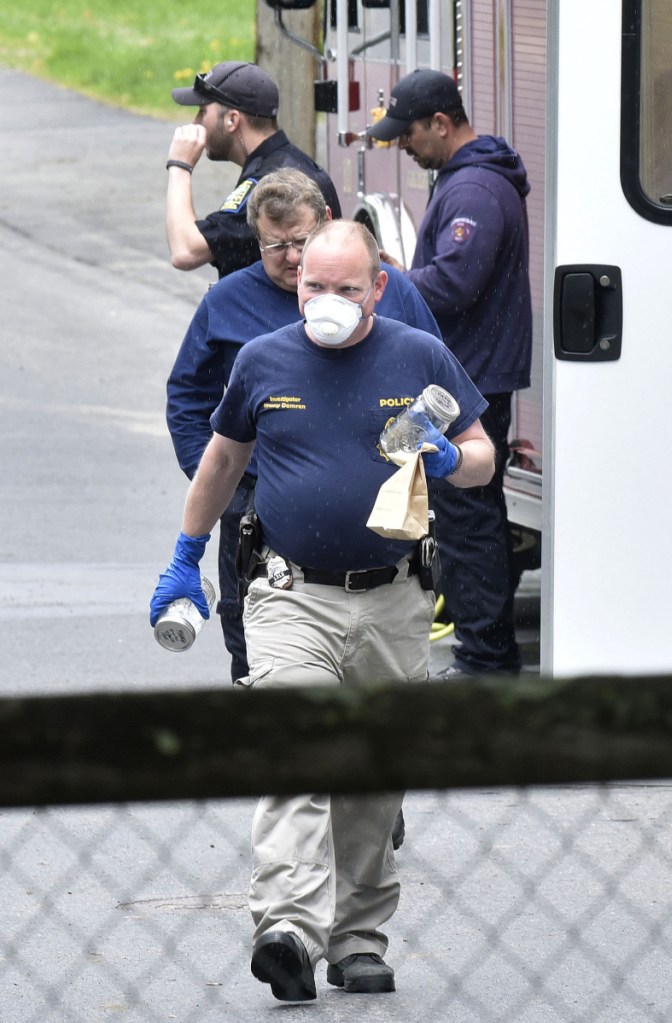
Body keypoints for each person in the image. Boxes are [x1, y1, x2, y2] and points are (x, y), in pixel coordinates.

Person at [149, 219, 495, 1001]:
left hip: (395, 597)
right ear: (295, 283)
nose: (327, 300)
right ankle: (290, 929)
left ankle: (358, 938)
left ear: (377, 286)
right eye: (313, 286)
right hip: (289, 593)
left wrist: (451, 458)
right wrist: (183, 554)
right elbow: (222, 459)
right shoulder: (264, 361)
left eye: (346, 287)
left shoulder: (419, 355)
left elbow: (482, 458)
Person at [167, 169, 442, 684]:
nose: (292, 258)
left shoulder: (397, 295)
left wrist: (429, 464)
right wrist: (232, 489)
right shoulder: (229, 305)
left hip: (388, 557)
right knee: (248, 644)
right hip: (267, 532)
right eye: (276, 246)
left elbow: (436, 386)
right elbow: (191, 404)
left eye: (300, 242)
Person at [366, 68, 533, 681]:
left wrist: (387, 277)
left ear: (440, 123)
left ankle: (486, 663)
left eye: (409, 134)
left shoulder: (474, 193)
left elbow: (455, 286)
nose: (404, 147)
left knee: (467, 522)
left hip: (471, 378)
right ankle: (482, 656)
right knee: (465, 515)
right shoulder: (467, 181)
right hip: (469, 372)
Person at [165, 61, 342, 278]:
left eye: (202, 112)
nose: (196, 122)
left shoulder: (271, 183)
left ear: (232, 120)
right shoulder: (288, 162)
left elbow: (185, 251)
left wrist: (179, 165)